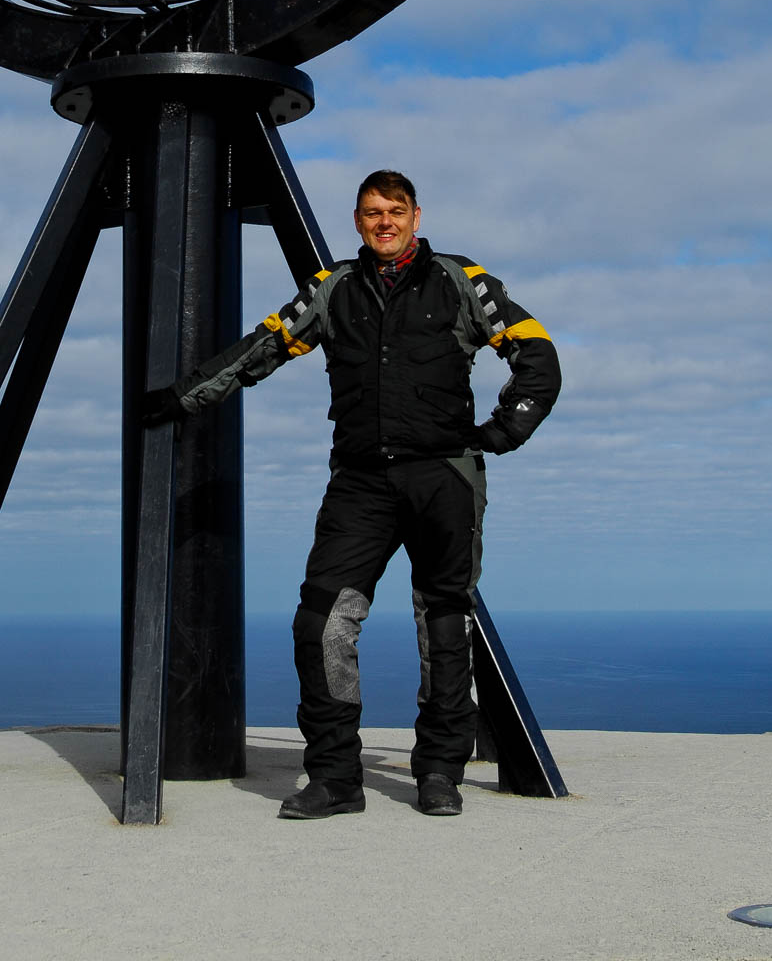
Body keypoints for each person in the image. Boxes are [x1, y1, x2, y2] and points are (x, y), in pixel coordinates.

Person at [144, 170, 560, 820]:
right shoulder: (331, 288)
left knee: (443, 624)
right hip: (359, 481)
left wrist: (503, 431)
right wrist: (178, 399)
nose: (384, 222)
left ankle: (439, 773)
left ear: (416, 216)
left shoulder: (461, 279)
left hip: (442, 477)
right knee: (320, 621)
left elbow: (536, 354)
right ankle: (336, 777)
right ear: (357, 220)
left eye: (395, 211)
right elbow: (263, 346)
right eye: (372, 212)